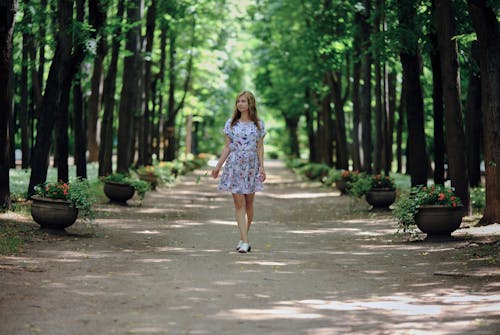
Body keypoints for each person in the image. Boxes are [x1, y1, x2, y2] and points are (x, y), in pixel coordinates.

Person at [211, 91, 266, 253]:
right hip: (235, 166)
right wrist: (218, 166)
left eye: (243, 101)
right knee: (239, 203)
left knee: (249, 203)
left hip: (251, 166)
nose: (240, 104)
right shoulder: (231, 124)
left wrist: (262, 167)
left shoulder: (259, 125)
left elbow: (260, 147)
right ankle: (246, 241)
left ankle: (243, 237)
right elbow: (227, 147)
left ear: (251, 104)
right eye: (238, 101)